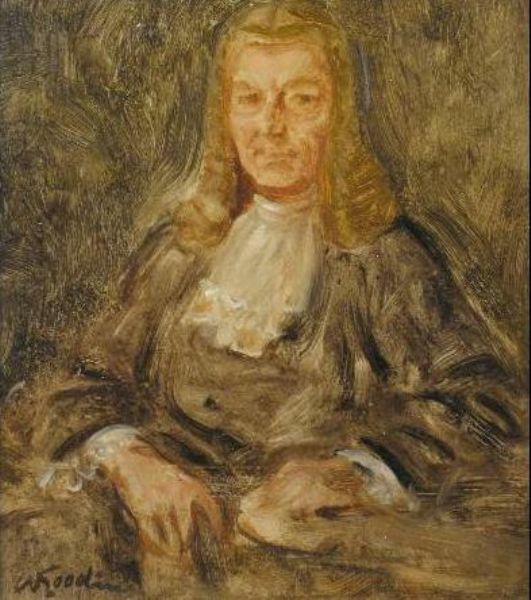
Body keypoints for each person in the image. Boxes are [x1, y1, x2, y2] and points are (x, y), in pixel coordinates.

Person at [3, 2, 527, 598]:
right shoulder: (181, 249)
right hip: (162, 545)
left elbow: (486, 402)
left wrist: (351, 472)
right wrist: (133, 461)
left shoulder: (385, 258)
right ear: (223, 116)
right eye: (249, 99)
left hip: (305, 559)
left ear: (340, 117)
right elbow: (78, 386)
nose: (270, 126)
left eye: (301, 100)